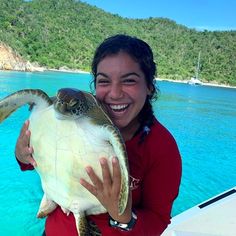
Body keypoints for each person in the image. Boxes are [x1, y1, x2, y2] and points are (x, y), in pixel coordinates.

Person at [15, 34, 182, 236]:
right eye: (104, 81)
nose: (115, 93)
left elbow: (158, 220)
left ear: (149, 86)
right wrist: (21, 155)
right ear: (95, 85)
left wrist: (123, 217)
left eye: (129, 80)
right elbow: (44, 158)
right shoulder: (74, 112)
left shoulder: (161, 147)